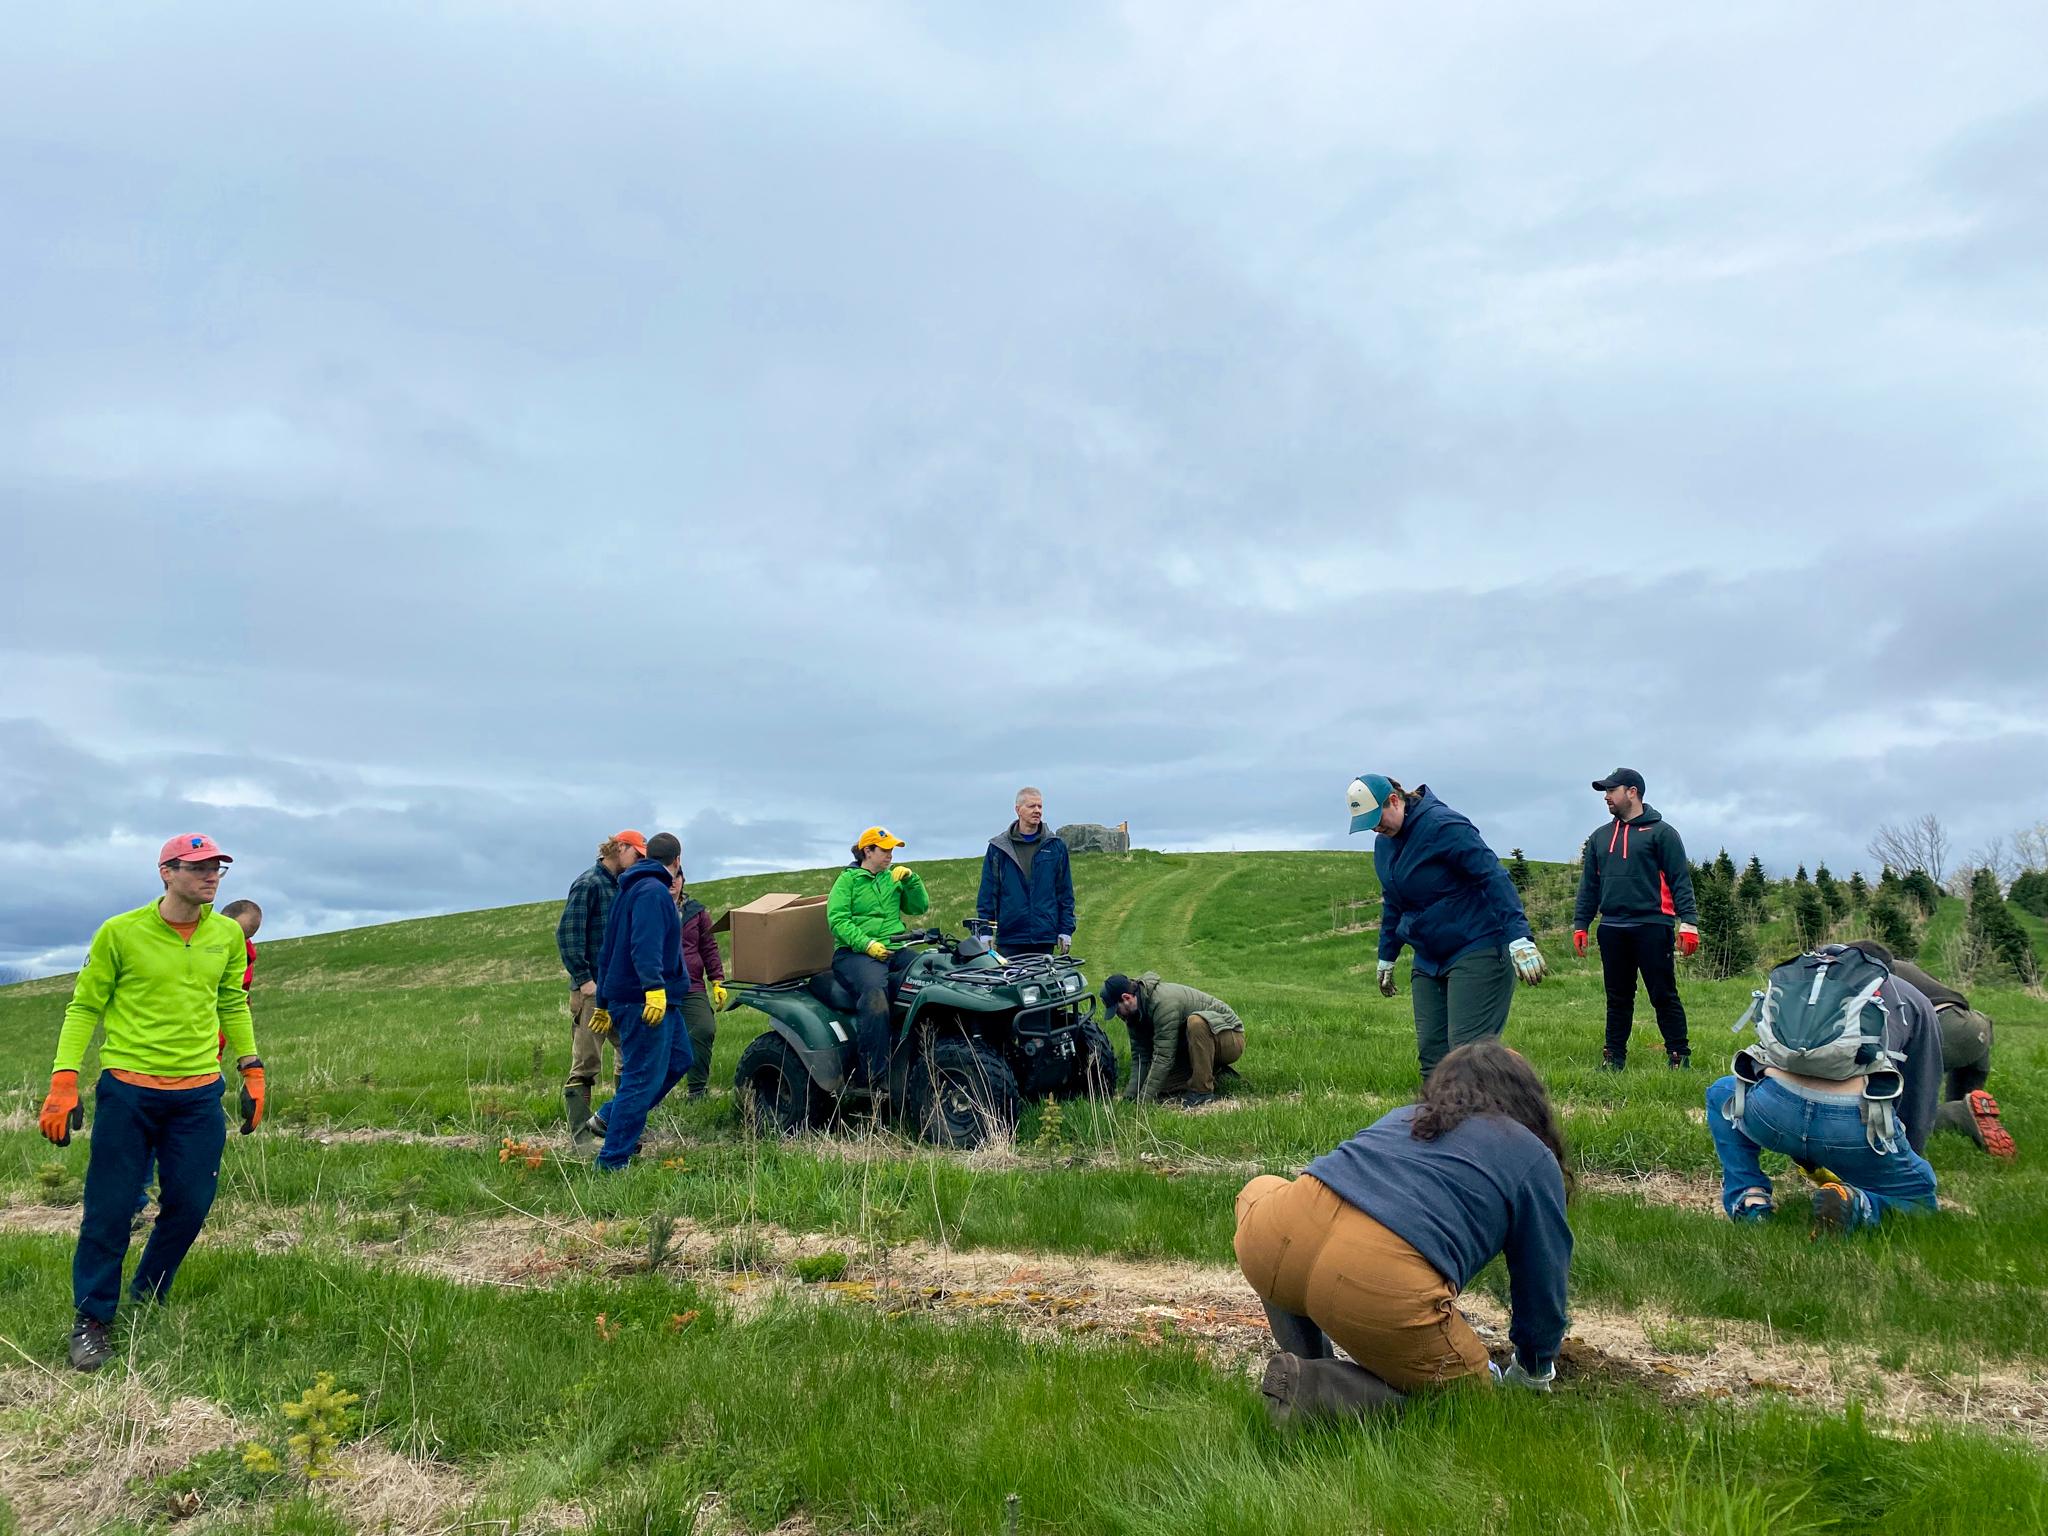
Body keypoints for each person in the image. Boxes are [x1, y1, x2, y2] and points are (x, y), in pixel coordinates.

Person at [1234, 1041, 1571, 1422]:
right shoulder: (1530, 1154)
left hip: (1277, 1232)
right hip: (1374, 1278)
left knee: (1261, 1192)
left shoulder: (1408, 1116)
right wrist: (1533, 1371)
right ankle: (1315, 1389)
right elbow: (1542, 1282)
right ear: (1526, 1099)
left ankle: (1303, 1359)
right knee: (1471, 1405)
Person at [39, 834, 266, 1373]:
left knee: (190, 1204)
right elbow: (84, 1006)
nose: (211, 876)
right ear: (166, 872)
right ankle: (92, 1320)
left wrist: (251, 1067)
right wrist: (63, 1079)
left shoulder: (227, 936)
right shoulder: (121, 932)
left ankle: (146, 1295)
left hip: (197, 1093)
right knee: (111, 1209)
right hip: (129, 1092)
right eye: (198, 867)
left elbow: (231, 999)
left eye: (217, 868)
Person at [1706, 943, 1943, 1235]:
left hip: (1773, 1112)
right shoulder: (1914, 1000)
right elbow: (1919, 1094)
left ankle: (1750, 1199)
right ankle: (1860, 1205)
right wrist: (1898, 1159)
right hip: (1852, 1128)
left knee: (1721, 1092)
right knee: (1921, 1199)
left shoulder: (1807, 981)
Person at [1348, 774, 1547, 1083]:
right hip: (1428, 957)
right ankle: (1440, 1127)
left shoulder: (1444, 826)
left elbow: (1493, 877)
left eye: (1378, 819)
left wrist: (1519, 936)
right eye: (1369, 824)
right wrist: (1386, 955)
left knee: (1469, 1057)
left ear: (1394, 800)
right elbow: (1393, 901)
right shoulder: (1384, 845)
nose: (1376, 828)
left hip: (1477, 944)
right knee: (1433, 1060)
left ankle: (1495, 1123)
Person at [137, 899, 261, 1219]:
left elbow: (234, 1005)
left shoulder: (238, 954)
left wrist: (250, 1066)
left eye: (248, 936)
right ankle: (137, 1203)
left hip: (206, 1061)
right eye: (240, 933)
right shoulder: (193, 944)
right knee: (148, 1132)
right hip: (156, 1060)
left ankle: (174, 1204)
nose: (242, 941)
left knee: (185, 1139)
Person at [1573, 769, 1701, 1070]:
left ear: (1632, 792)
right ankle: (1613, 1058)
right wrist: (1581, 924)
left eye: (1611, 791)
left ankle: (1678, 1056)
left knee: (1663, 993)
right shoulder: (1600, 837)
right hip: (1612, 927)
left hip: (1653, 926)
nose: (1606, 797)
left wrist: (1689, 922)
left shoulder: (1662, 833)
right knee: (1617, 997)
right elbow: (1589, 885)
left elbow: (1680, 879)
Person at [1834, 942, 2011, 1158]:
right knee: (1969, 1100)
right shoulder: (1902, 966)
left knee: (1901, 1110)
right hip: (1974, 1027)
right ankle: (1973, 1110)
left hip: (1940, 1030)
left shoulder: (1867, 975)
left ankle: (1957, 1115)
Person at [590, 832, 692, 1170]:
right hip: (644, 1001)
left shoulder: (630, 890)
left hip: (655, 998)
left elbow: (607, 952)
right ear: (676, 861)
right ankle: (612, 1161)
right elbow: (643, 945)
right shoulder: (652, 893)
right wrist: (653, 989)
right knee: (641, 1077)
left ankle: (609, 1116)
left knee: (679, 1059)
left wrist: (603, 1000)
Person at [826, 827, 931, 1106]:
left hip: (894, 949)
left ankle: (922, 1057)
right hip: (855, 954)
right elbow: (837, 920)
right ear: (867, 851)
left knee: (928, 974)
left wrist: (911, 880)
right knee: (875, 995)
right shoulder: (847, 881)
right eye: (884, 850)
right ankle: (873, 1076)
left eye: (892, 850)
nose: (890, 855)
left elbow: (919, 907)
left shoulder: (892, 878)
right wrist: (867, 944)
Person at [556, 831, 644, 1141]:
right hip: (594, 990)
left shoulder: (622, 886)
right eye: (637, 854)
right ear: (620, 848)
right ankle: (581, 1140)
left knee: (631, 1056)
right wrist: (584, 980)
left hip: (619, 991)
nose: (640, 861)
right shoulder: (588, 884)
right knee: (586, 1062)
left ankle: (622, 1128)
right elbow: (567, 935)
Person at [1100, 971, 1244, 1108]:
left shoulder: (1163, 1003)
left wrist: (1144, 1101)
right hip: (1196, 1046)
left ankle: (1203, 1091)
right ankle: (1215, 1074)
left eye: (1117, 1010)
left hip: (1230, 1036)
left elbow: (1163, 1057)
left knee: (1196, 1023)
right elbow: (1140, 1057)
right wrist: (1130, 1098)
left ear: (1126, 998)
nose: (1118, 1015)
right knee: (1161, 1086)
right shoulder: (1133, 1015)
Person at [975, 787, 1076, 957]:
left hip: (1044, 937)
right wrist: (984, 931)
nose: (1037, 811)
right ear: (1018, 810)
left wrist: (1066, 930)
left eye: (1040, 806)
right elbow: (988, 893)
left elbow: (1065, 893)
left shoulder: (1055, 846)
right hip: (1010, 937)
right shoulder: (998, 849)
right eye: (1031, 806)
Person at [675, 871, 730, 1099]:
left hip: (691, 985)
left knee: (704, 1029)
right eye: (666, 879)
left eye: (676, 878)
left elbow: (708, 947)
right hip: (656, 986)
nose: (672, 883)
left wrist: (717, 980)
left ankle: (697, 1091)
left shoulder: (696, 911)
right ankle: (652, 1096)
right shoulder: (651, 908)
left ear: (682, 881)